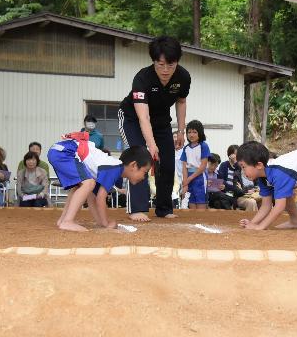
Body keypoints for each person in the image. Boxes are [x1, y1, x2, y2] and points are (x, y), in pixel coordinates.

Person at [118, 36, 190, 221]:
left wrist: (181, 131)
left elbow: (181, 102)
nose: (165, 70)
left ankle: (164, 208)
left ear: (177, 62)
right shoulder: (142, 78)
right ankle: (137, 208)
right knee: (140, 157)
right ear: (153, 62)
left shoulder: (183, 77)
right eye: (160, 65)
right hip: (132, 119)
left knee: (166, 162)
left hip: (161, 122)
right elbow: (143, 117)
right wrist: (150, 145)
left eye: (170, 65)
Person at [47, 134, 152, 231]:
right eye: (145, 172)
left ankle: (63, 220)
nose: (143, 177)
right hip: (65, 152)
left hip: (60, 151)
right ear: (133, 165)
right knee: (88, 183)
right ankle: (67, 221)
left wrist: (101, 222)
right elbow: (100, 198)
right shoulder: (114, 168)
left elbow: (92, 197)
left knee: (82, 187)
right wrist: (106, 223)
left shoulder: (110, 168)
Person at [180, 120, 211, 210]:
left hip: (200, 177)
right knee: (191, 202)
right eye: (189, 132)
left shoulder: (203, 146)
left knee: (201, 203)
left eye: (194, 132)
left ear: (200, 133)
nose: (191, 135)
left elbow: (203, 166)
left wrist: (189, 179)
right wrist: (185, 183)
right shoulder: (186, 148)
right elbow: (184, 167)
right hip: (189, 177)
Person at [218, 145, 257, 211]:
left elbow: (243, 183)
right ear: (230, 155)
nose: (237, 156)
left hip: (241, 193)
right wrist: (235, 188)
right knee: (251, 202)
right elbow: (222, 182)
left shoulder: (240, 166)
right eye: (235, 154)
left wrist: (236, 163)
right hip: (229, 194)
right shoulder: (224, 165)